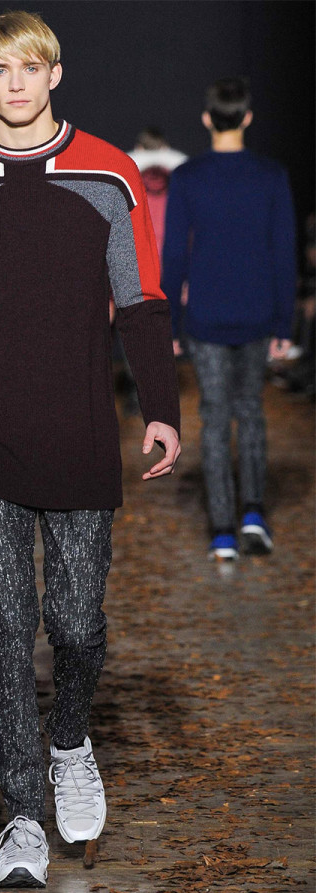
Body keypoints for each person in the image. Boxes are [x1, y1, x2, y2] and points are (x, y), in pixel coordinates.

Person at [0, 10, 180, 889]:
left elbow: (139, 299)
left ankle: (69, 740)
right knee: (4, 622)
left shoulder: (108, 173)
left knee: (76, 623)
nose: (16, 83)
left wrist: (161, 407)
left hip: (79, 429)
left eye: (29, 68)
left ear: (55, 73)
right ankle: (22, 814)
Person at [162, 77, 296, 561]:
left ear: (206, 118)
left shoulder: (188, 177)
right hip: (258, 313)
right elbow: (283, 253)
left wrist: (170, 323)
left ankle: (222, 531)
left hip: (207, 317)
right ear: (247, 117)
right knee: (251, 412)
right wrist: (284, 324)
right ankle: (254, 515)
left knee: (215, 419)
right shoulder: (271, 175)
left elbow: (174, 255)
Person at [127, 127, 187, 259]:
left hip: (139, 246)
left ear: (139, 148)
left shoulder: (125, 169)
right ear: (165, 147)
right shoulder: (183, 169)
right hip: (173, 242)